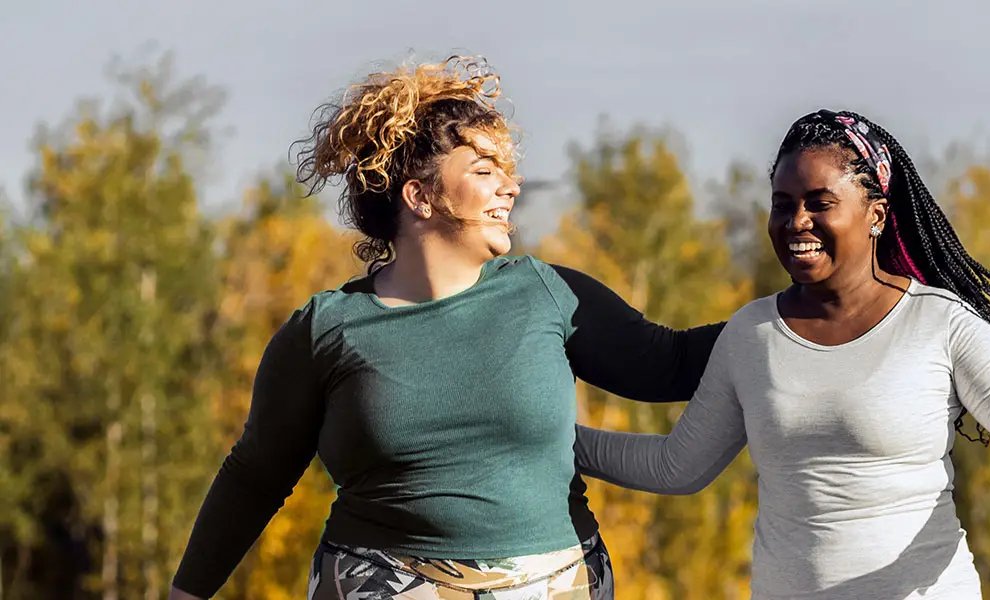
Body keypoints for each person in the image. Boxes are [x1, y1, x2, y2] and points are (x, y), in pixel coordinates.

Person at [168, 56, 721, 600]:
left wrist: (796, 312)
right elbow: (255, 475)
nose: (511, 187)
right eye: (484, 172)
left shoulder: (547, 294)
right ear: (420, 196)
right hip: (378, 583)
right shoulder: (328, 329)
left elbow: (669, 366)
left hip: (555, 584)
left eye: (506, 171)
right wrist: (187, 593)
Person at [574, 110, 990, 598]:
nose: (796, 221)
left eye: (819, 201)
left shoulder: (940, 324)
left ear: (876, 214)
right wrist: (549, 444)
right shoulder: (751, 335)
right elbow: (678, 467)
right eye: (782, 203)